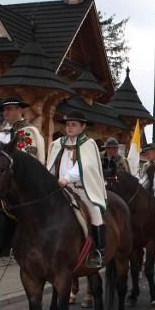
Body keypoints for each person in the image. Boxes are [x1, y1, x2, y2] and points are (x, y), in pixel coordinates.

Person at [47, 110, 107, 268]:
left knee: (95, 211)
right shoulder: (57, 143)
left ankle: (100, 250)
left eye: (74, 124)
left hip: (82, 188)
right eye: (67, 124)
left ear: (83, 126)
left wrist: (66, 179)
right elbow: (51, 165)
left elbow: (84, 166)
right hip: (60, 188)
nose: (69, 127)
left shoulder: (88, 143)